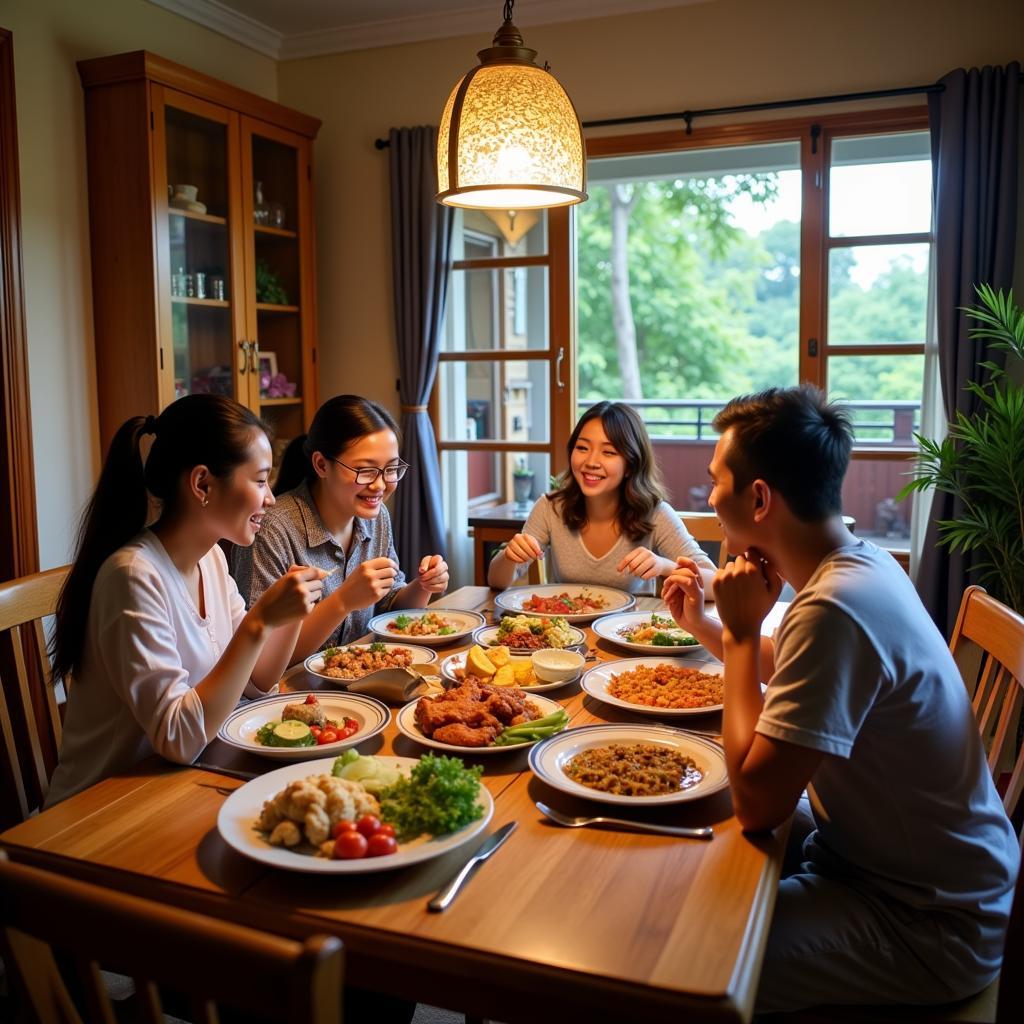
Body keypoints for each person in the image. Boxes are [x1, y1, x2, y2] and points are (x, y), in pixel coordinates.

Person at [662, 385, 1019, 1012]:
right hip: (876, 858)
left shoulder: (835, 608)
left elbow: (758, 806)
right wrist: (707, 629)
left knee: (684, 962)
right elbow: (804, 668)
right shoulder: (862, 564)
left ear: (760, 497)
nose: (710, 498)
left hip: (924, 922)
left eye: (718, 481)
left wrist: (744, 637)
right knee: (683, 843)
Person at [48, 395, 324, 806]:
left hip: (176, 785)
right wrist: (259, 622)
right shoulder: (133, 577)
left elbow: (258, 680)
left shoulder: (210, 557)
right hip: (102, 809)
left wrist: (292, 613)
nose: (269, 498)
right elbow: (177, 738)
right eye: (261, 480)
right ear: (202, 484)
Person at [231, 395, 448, 660]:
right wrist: (343, 601)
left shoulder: (376, 518)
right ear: (322, 465)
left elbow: (390, 607)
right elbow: (259, 655)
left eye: (390, 469)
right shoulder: (273, 530)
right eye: (366, 471)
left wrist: (423, 586)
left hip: (360, 681)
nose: (380, 485)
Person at [487, 400, 715, 592]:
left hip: (628, 637)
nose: (591, 463)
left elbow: (715, 584)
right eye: (583, 448)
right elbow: (496, 582)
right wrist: (510, 556)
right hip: (564, 636)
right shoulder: (551, 507)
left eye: (608, 452)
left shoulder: (654, 513)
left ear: (630, 464)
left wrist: (665, 567)